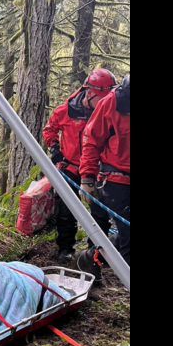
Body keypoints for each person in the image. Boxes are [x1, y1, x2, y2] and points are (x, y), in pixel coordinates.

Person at [43, 69, 118, 263]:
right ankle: (65, 249)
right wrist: (54, 147)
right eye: (102, 99)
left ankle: (96, 253)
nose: (105, 103)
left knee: (100, 213)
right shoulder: (65, 110)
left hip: (96, 169)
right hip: (71, 168)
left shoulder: (107, 112)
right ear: (90, 93)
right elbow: (50, 129)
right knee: (66, 211)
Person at [78, 74, 130, 274]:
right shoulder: (111, 103)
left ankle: (92, 256)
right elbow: (91, 141)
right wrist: (87, 178)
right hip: (116, 180)